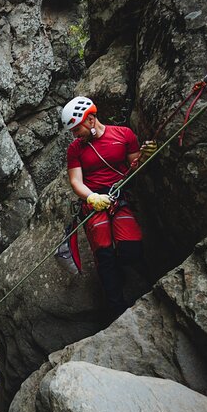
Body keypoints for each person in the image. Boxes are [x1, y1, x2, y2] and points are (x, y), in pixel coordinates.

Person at [61, 96, 157, 316]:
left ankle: (141, 285)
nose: (75, 135)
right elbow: (76, 181)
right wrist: (92, 198)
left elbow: (135, 167)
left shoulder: (123, 135)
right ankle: (116, 307)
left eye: (77, 129)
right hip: (94, 202)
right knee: (104, 256)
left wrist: (145, 157)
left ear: (91, 119)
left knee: (131, 249)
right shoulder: (75, 149)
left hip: (119, 196)